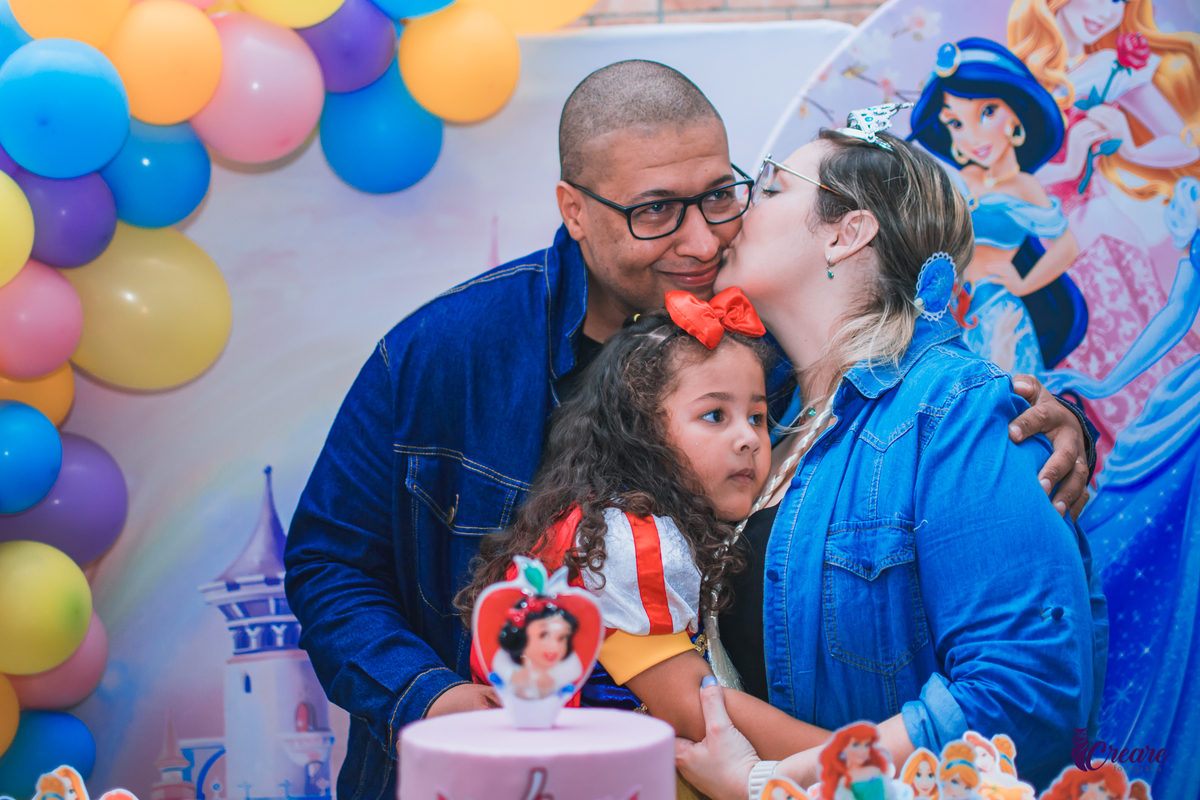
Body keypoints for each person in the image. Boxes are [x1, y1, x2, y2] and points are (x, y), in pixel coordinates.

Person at [283, 61, 1093, 800]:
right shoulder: (447, 351)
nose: (706, 238)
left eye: (723, 195)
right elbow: (330, 563)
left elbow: (1009, 657)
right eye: (656, 212)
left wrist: (1046, 423)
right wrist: (434, 699)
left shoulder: (785, 363)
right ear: (575, 211)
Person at [674, 121, 1107, 797]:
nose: (737, 209)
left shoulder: (957, 410)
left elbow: (1026, 694)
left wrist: (775, 784)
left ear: (846, 233)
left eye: (772, 189)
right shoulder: (767, 420)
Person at [458, 294, 830, 759]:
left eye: (756, 417)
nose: (748, 439)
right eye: (715, 415)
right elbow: (698, 711)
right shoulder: (622, 542)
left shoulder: (625, 522)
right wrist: (851, 756)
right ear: (643, 432)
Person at [908, 37, 1084, 375]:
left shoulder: (1024, 187)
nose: (973, 137)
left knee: (1009, 397)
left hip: (999, 315)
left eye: (987, 112)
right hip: (952, 317)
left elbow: (1067, 247)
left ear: (1017, 114)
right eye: (956, 123)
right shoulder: (961, 179)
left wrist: (1022, 284)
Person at [494, 597, 581, 700]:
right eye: (543, 635)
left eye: (562, 637)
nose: (554, 646)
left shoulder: (568, 679)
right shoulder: (502, 674)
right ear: (522, 635)